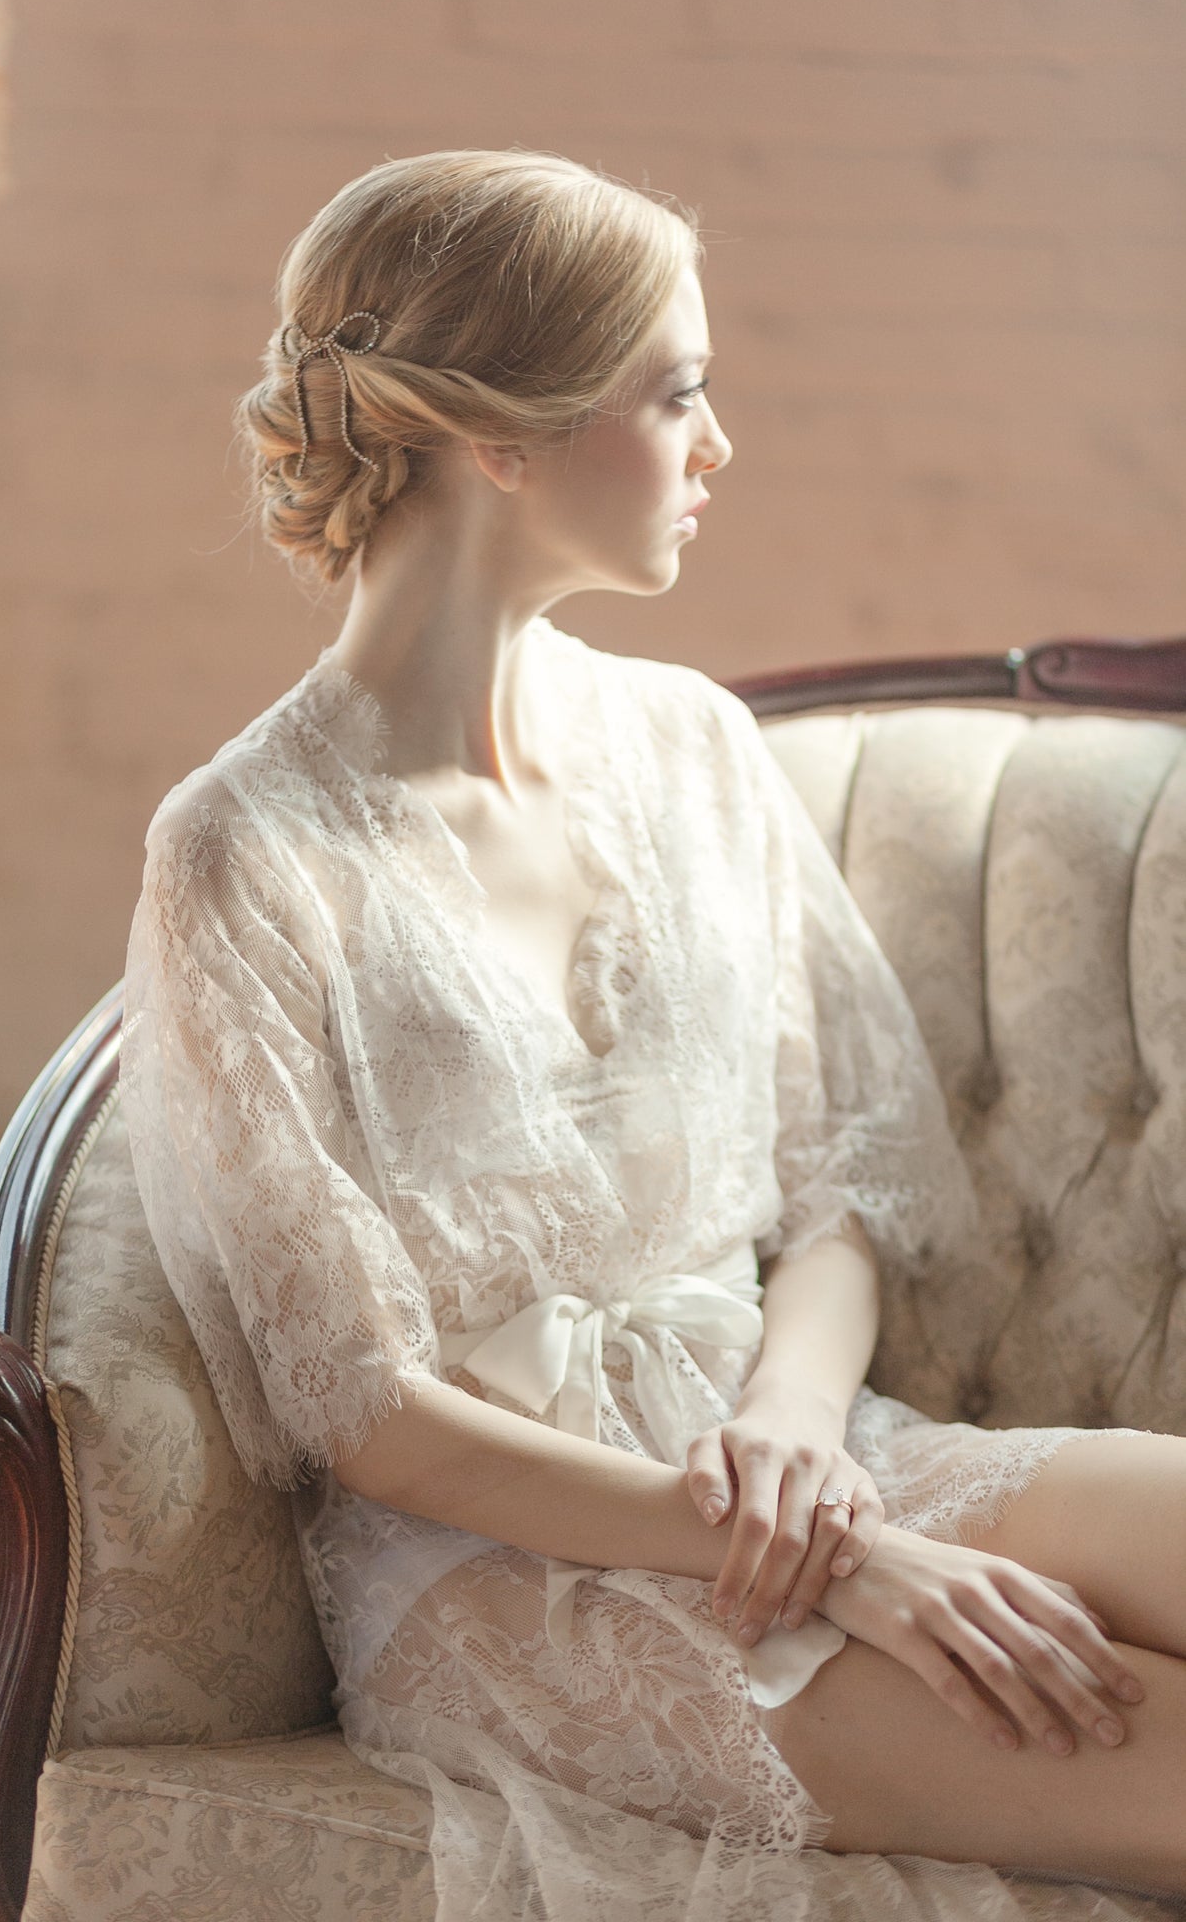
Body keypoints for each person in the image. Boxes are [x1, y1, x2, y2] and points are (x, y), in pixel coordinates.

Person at [120, 149, 1186, 1919]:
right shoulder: (242, 850)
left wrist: (797, 1440)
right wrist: (844, 1567)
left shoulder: (690, 744)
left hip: (794, 1456)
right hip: (504, 1571)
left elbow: (832, 1191)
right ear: (500, 437)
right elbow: (371, 1416)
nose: (717, 447)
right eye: (675, 392)